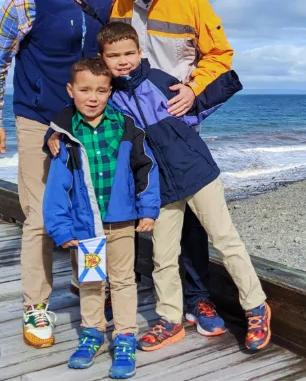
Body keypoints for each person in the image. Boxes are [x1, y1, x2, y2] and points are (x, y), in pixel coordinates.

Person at [0, 0, 115, 348]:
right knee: (39, 217)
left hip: (85, 118)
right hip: (37, 117)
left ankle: (87, 289)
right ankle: (36, 305)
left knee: (87, 208)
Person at [96, 22, 271, 353]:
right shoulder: (112, 100)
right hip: (157, 187)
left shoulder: (159, 82)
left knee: (226, 241)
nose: (123, 61)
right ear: (103, 59)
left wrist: (226, 84)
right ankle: (170, 319)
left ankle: (256, 307)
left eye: (129, 53)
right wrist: (55, 134)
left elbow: (196, 105)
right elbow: (89, 121)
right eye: (113, 55)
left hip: (197, 172)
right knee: (162, 256)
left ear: (140, 52)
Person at [110, 0, 233, 336]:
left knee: (194, 217)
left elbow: (220, 54)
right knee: (142, 206)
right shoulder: (116, 1)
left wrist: (194, 90)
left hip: (177, 121)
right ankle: (133, 291)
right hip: (134, 126)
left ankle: (199, 298)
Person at [43, 57, 160, 378]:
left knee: (123, 281)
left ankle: (124, 337)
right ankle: (92, 332)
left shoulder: (125, 126)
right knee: (91, 282)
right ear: (71, 90)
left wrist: (148, 209)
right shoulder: (66, 137)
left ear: (110, 92)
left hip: (123, 222)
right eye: (84, 90)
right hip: (85, 227)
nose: (92, 97)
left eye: (100, 90)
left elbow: (146, 167)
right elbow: (56, 187)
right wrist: (60, 227)